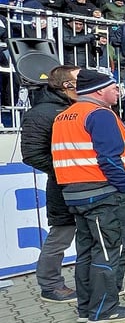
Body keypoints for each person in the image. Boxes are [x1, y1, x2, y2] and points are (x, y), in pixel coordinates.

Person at [51, 68, 125, 323]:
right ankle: (104, 311)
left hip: (74, 194)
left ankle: (86, 309)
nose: (117, 91)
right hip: (101, 194)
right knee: (107, 251)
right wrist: (124, 186)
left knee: (86, 253)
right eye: (114, 87)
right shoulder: (99, 114)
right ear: (100, 91)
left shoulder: (64, 116)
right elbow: (109, 159)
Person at [20, 64, 79, 303]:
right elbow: (32, 154)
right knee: (61, 236)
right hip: (62, 186)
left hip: (83, 184)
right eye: (79, 79)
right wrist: (66, 170)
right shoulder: (41, 113)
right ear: (67, 85)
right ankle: (50, 285)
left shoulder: (74, 108)